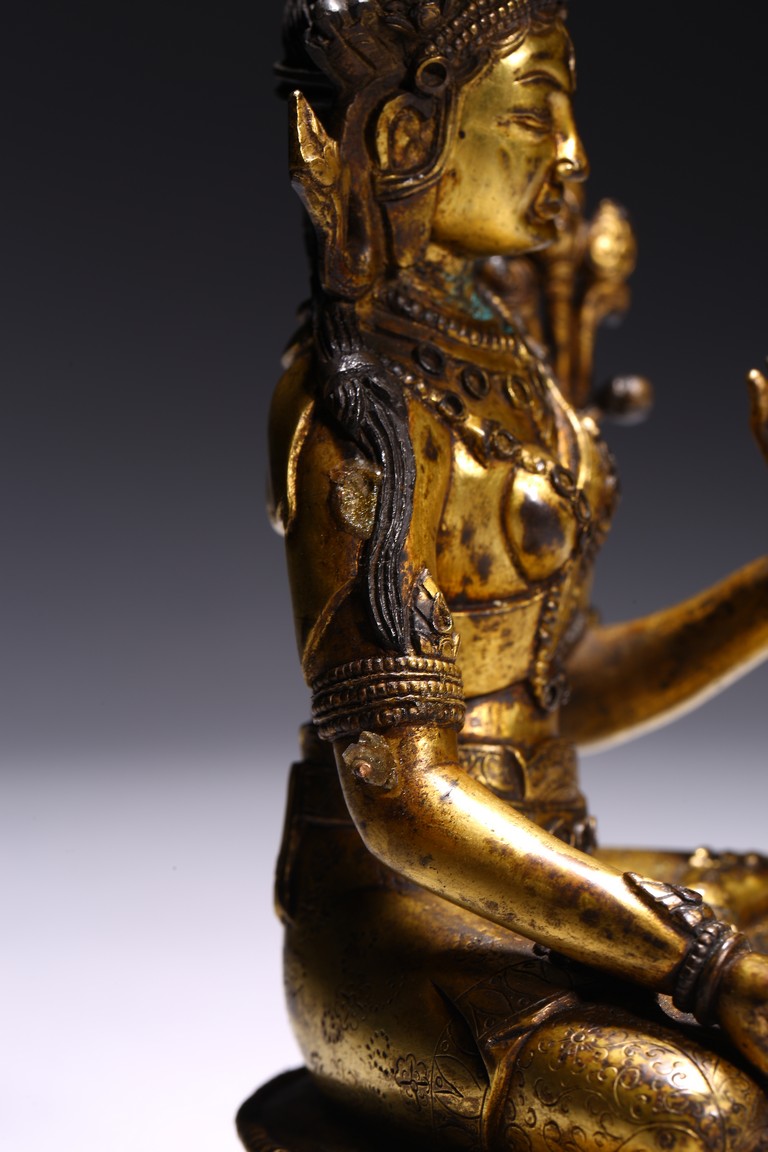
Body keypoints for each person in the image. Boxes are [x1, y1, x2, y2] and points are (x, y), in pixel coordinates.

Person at [264, 1, 768, 1147]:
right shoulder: (355, 407)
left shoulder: (504, 354)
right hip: (399, 925)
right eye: (537, 117)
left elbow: (567, 686)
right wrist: (699, 961)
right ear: (410, 139)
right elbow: (405, 804)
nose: (575, 156)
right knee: (709, 1117)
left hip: (547, 869)